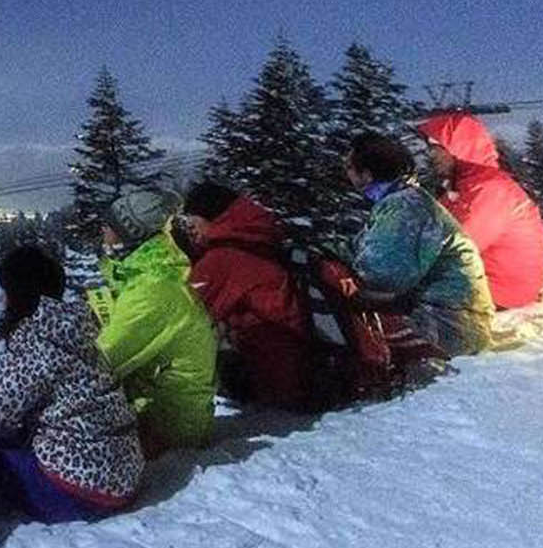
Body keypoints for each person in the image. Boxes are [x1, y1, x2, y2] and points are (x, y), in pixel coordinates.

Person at [0, 245, 143, 522]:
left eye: (5, 290)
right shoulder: (72, 329)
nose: (1, 299)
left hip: (80, 491)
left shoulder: (35, 340)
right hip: (118, 473)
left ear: (18, 294)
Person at [342, 131, 496, 357]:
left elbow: (383, 277)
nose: (345, 173)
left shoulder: (405, 206)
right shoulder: (403, 200)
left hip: (447, 323)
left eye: (348, 167)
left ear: (366, 173)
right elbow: (359, 249)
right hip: (452, 317)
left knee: (341, 327)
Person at [87, 188, 216, 453]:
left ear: (128, 234)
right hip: (161, 411)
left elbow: (99, 363)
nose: (103, 230)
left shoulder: (153, 291)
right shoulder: (148, 276)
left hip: (169, 426)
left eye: (109, 225)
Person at [178, 181, 315, 411]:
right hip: (302, 363)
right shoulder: (256, 239)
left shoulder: (224, 258)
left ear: (213, 216)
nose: (189, 228)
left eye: (192, 221)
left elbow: (181, 314)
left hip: (279, 379)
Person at [415, 111, 543, 309]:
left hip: (502, 292)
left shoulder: (489, 188)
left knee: (389, 304)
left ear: (460, 147)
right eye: (430, 148)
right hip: (483, 283)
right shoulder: (464, 186)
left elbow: (454, 246)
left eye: (437, 147)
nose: (432, 155)